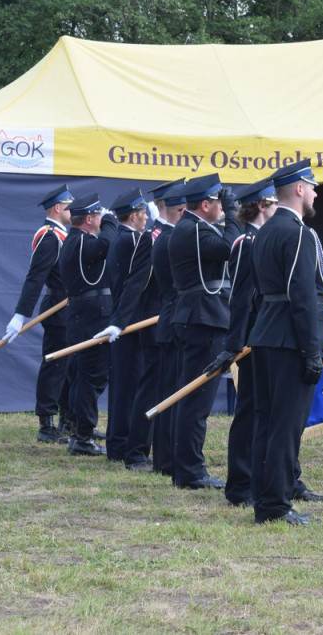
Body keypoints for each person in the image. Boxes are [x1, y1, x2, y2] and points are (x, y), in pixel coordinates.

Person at [248, 159, 323, 525]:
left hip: (267, 334)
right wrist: (313, 350)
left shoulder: (264, 230)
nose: (314, 193)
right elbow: (302, 295)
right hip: (287, 339)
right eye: (311, 186)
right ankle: (276, 505)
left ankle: (265, 497)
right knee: (285, 425)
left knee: (266, 422)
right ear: (298, 189)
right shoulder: (296, 233)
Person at [201, 178, 278, 505]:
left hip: (270, 337)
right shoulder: (246, 242)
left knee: (274, 412)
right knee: (250, 411)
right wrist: (233, 347)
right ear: (262, 205)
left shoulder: (265, 238)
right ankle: (241, 485)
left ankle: (279, 477)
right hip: (251, 339)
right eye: (274, 201)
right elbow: (242, 297)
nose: (278, 207)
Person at [167, 173, 241, 489]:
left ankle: (186, 466)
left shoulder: (195, 228)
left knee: (193, 396)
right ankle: (189, 470)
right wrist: (234, 215)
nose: (224, 208)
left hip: (201, 316)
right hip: (203, 318)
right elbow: (229, 247)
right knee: (196, 399)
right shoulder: (192, 229)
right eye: (219, 202)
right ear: (206, 203)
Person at [117, 179, 184, 472]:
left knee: (163, 387)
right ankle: (136, 451)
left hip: (169, 321)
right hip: (153, 321)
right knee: (150, 387)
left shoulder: (169, 234)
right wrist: (118, 322)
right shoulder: (153, 237)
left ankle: (160, 451)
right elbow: (137, 283)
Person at [1, 184, 74, 443]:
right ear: (57, 208)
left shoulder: (64, 234)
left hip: (71, 308)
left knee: (70, 367)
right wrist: (21, 314)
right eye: (68, 206)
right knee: (55, 366)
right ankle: (47, 423)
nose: (72, 209)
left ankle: (68, 420)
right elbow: (35, 278)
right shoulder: (49, 236)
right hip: (57, 307)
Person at [58, 194, 113, 456]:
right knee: (91, 378)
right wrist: (113, 221)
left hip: (84, 316)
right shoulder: (81, 243)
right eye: (99, 216)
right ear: (90, 219)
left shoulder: (77, 241)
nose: (102, 220)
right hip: (90, 319)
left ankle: (80, 428)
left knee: (83, 377)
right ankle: (82, 436)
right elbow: (107, 245)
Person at [98, 187, 148, 462]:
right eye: (142, 213)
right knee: (129, 387)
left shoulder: (120, 237)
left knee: (122, 386)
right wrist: (121, 321)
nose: (145, 218)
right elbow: (133, 285)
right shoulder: (133, 241)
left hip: (122, 318)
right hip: (130, 321)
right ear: (132, 215)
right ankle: (121, 443)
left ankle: (116, 443)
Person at [149, 181, 189, 477]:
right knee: (173, 393)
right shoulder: (170, 238)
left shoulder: (163, 236)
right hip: (176, 318)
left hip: (169, 317)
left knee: (167, 391)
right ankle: (168, 458)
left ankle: (164, 458)